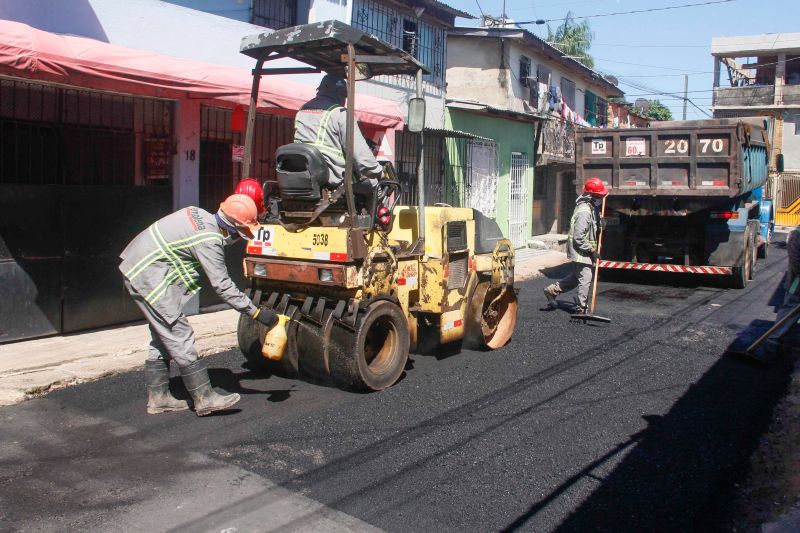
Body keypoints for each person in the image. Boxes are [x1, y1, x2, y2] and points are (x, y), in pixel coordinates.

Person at [119, 194, 279, 416]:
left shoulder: (199, 214)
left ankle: (159, 398)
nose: (240, 236)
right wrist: (257, 313)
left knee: (162, 335)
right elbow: (223, 286)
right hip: (148, 276)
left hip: (139, 267)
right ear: (233, 225)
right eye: (241, 231)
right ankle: (204, 399)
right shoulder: (208, 239)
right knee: (179, 332)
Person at [293, 74, 385, 200]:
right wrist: (378, 172)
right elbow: (362, 158)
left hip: (302, 176)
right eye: (344, 96)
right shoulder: (340, 114)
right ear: (341, 94)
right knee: (374, 185)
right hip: (331, 178)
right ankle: (376, 219)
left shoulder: (302, 111)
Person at [543, 177, 609, 313]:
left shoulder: (592, 208)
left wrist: (601, 222)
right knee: (585, 278)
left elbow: (593, 228)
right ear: (591, 196)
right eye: (599, 196)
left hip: (583, 250)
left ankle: (551, 290)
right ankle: (581, 309)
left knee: (575, 278)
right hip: (580, 251)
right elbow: (579, 236)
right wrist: (591, 250)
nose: (601, 199)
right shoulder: (584, 211)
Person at [767, 225, 800, 352]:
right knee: (791, 306)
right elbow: (795, 260)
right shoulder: (796, 234)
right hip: (797, 282)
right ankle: (774, 337)